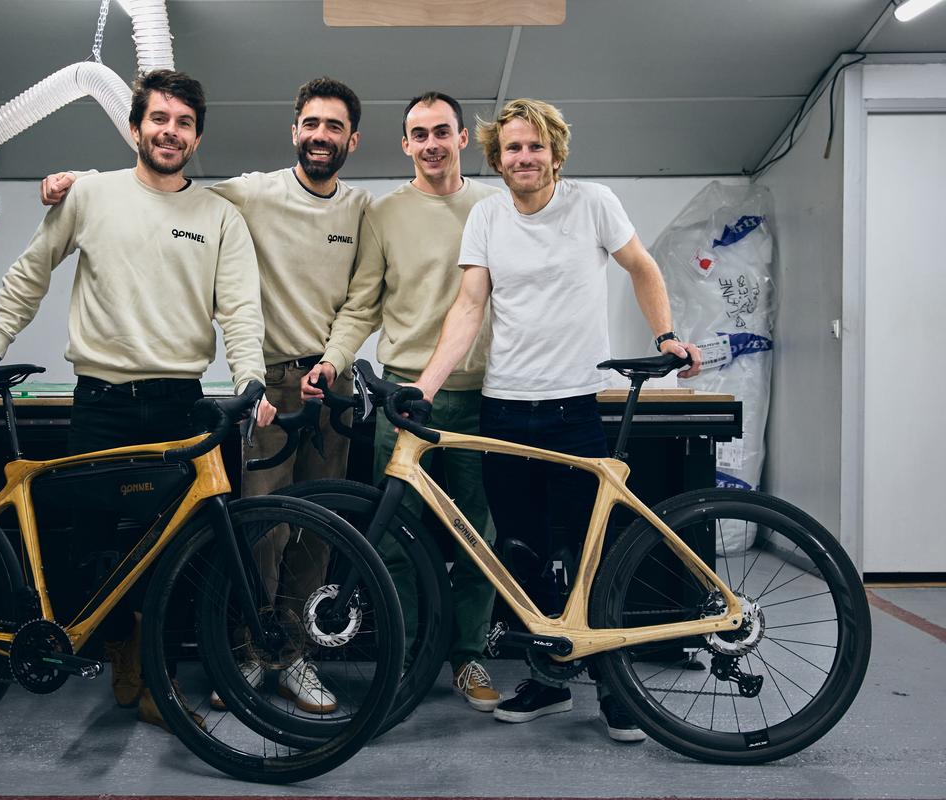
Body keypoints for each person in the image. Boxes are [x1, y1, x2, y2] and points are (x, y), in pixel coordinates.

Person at [0, 69, 276, 731]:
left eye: (184, 123)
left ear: (196, 137)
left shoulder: (218, 217)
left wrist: (252, 381)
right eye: (159, 119)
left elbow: (240, 310)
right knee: (94, 546)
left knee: (173, 550)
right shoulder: (91, 194)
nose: (170, 131)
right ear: (135, 127)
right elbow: (31, 270)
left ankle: (155, 677)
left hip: (179, 405)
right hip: (100, 402)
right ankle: (123, 651)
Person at [40, 77, 373, 715]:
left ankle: (295, 656)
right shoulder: (247, 193)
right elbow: (162, 191)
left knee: (319, 534)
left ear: (351, 139)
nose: (321, 135)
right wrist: (79, 183)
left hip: (333, 386)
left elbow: (364, 300)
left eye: (334, 126)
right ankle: (250, 651)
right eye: (311, 123)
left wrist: (333, 362)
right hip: (271, 387)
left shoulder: (363, 210)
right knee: (259, 529)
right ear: (294, 129)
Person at [410, 98, 702, 742]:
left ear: (556, 153)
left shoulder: (593, 203)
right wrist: (425, 388)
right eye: (512, 148)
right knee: (523, 554)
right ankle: (548, 679)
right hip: (505, 408)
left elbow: (642, 268)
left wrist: (667, 335)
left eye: (535, 146)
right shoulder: (487, 216)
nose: (524, 157)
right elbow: (468, 307)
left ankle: (614, 687)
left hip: (573, 407)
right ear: (496, 157)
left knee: (588, 551)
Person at [310, 91, 505, 713]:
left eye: (442, 132)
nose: (431, 144)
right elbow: (363, 303)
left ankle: (468, 655)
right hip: (405, 397)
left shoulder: (496, 206)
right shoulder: (385, 214)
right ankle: (411, 656)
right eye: (419, 134)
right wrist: (335, 359)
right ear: (405, 144)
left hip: (483, 396)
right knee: (395, 536)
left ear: (462, 139)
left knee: (479, 534)